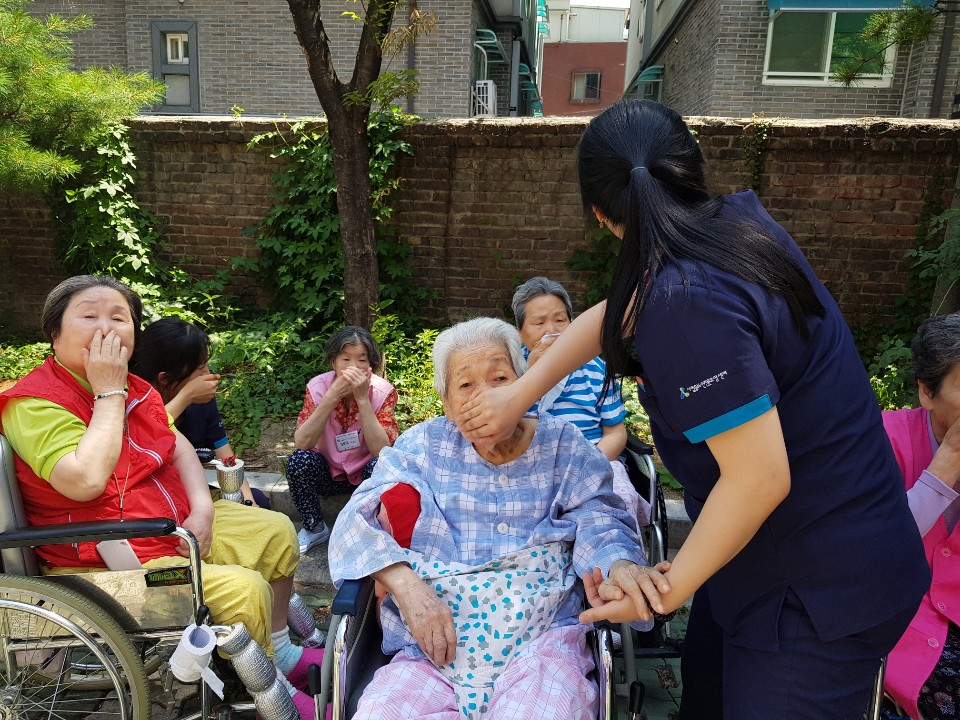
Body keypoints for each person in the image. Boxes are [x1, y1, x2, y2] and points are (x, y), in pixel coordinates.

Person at [458, 100, 930, 719]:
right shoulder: (728, 227)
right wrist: (519, 393)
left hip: (816, 585)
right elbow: (621, 310)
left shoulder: (687, 302)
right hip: (755, 559)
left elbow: (758, 479)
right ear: (692, 166)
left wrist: (662, 592)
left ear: (599, 213)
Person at [0, 275, 323, 720]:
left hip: (166, 528)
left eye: (119, 318)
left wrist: (203, 508)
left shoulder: (137, 387)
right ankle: (276, 695)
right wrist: (108, 392)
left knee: (274, 530)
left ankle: (280, 652)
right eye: (89, 316)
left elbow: (180, 448)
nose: (106, 328)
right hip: (106, 556)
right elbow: (85, 481)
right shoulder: (35, 404)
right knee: (242, 589)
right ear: (54, 334)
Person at [329, 317, 655, 720]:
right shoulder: (422, 446)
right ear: (446, 403)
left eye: (500, 378)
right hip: (430, 654)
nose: (485, 396)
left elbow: (600, 520)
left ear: (524, 385)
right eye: (466, 385)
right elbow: (353, 523)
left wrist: (619, 565)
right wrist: (404, 583)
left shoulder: (564, 445)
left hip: (542, 647)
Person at [512, 276, 649, 525]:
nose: (551, 329)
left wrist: (586, 464)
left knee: (619, 499)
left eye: (560, 320)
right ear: (520, 333)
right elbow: (507, 427)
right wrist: (530, 374)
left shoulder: (596, 369)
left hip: (593, 460)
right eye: (539, 322)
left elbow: (615, 434)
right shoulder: (510, 371)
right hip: (530, 465)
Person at [882, 312, 960, 720]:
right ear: (927, 392)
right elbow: (873, 552)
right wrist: (949, 460)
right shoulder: (880, 440)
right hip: (901, 630)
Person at [130, 317, 270, 509]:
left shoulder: (201, 402)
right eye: (200, 367)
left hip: (190, 492)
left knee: (257, 499)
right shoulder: (132, 398)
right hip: (148, 501)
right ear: (165, 378)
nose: (208, 373)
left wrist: (250, 503)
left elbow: (227, 459)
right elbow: (140, 441)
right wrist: (185, 397)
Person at [288, 326, 398, 555]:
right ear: (333, 362)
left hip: (365, 475)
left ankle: (369, 530)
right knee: (299, 460)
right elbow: (303, 442)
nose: (353, 367)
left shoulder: (383, 392)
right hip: (328, 472)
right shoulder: (317, 388)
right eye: (345, 359)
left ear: (371, 366)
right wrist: (331, 397)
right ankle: (314, 526)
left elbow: (382, 450)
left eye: (361, 360)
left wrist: (362, 399)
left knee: (382, 465)